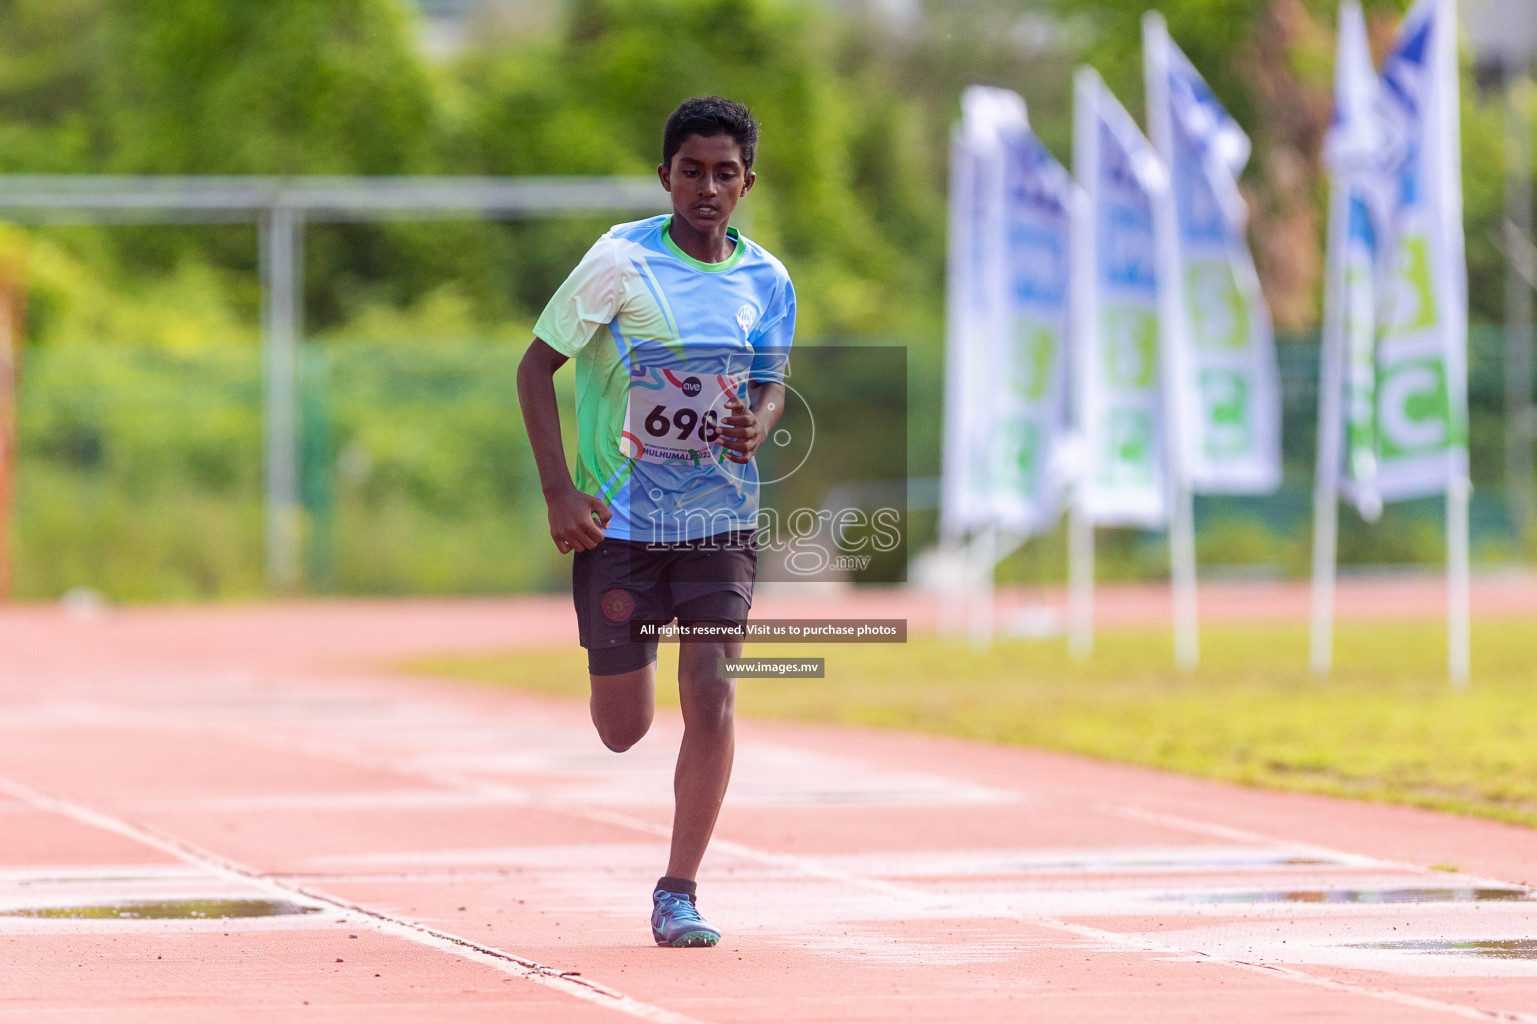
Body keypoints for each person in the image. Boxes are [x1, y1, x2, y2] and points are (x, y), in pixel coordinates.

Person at [516, 96, 794, 948]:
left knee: (712, 689)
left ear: (746, 182)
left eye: (724, 173)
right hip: (620, 526)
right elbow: (534, 368)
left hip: (718, 519)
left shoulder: (767, 281)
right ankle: (620, 686)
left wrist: (760, 419)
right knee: (621, 729)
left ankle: (678, 891)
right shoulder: (617, 261)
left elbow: (770, 383)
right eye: (690, 171)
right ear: (664, 176)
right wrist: (559, 492)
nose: (706, 188)